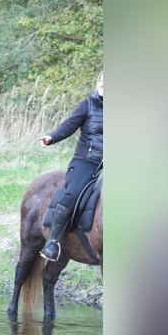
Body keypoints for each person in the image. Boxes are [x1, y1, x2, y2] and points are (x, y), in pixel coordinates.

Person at [38, 71, 103, 261]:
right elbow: (69, 125)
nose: (102, 84)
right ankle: (53, 241)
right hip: (87, 161)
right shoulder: (87, 105)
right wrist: (52, 137)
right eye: (101, 81)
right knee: (72, 193)